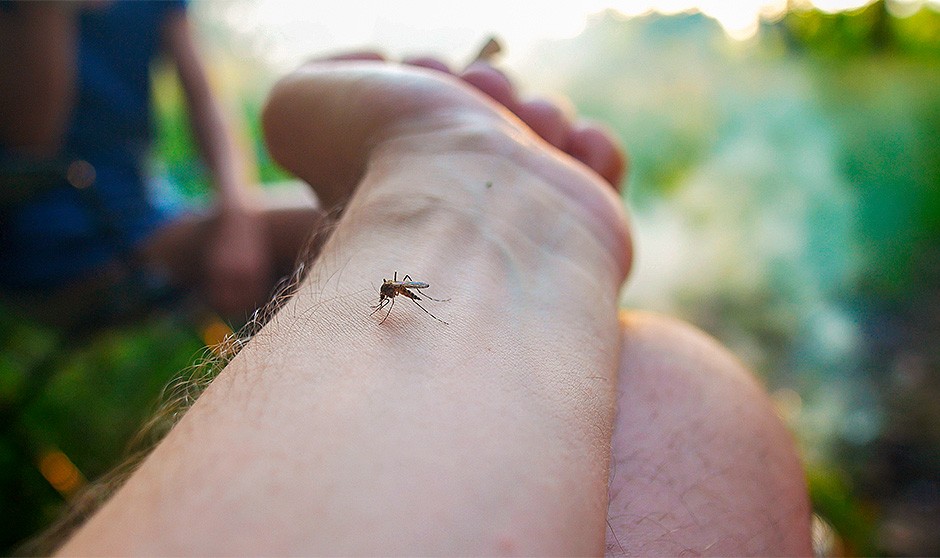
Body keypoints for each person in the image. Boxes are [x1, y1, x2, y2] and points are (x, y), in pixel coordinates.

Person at [42, 52, 813, 555]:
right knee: (679, 374)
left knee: (678, 371)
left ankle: (466, 202)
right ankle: (478, 202)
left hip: (160, 211)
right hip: (67, 230)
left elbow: (206, 101)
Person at [0, 1, 321, 326]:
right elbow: (31, 142)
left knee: (327, 233)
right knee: (326, 225)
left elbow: (205, 103)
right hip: (62, 244)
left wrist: (237, 218)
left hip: (145, 217)